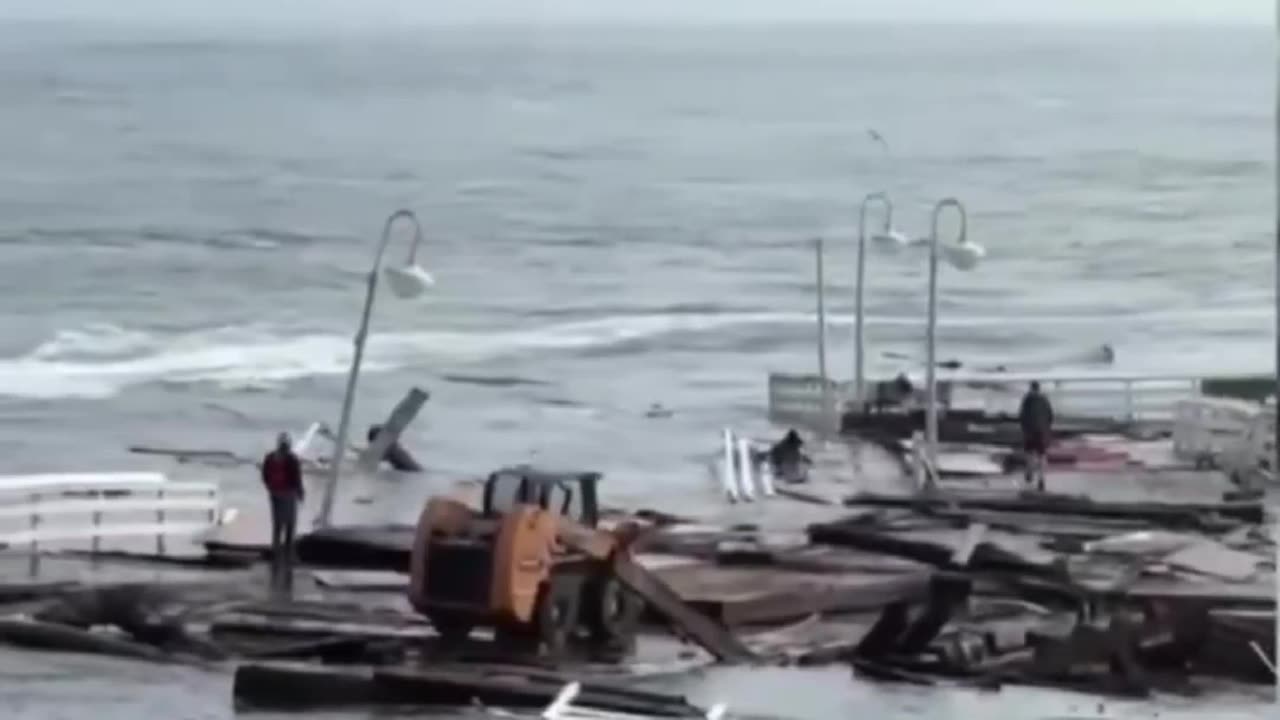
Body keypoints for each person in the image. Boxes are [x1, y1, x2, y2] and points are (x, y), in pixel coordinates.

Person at [261, 432, 304, 591]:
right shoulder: (291, 458)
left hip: (275, 493)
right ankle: (289, 555)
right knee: (290, 524)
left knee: (277, 524)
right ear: (289, 444)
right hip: (288, 493)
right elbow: (296, 477)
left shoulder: (270, 457)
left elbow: (264, 476)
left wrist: (270, 488)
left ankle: (276, 552)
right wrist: (300, 493)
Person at [1018, 381, 1054, 491]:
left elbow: (1022, 416)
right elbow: (1050, 416)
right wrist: (1046, 429)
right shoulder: (1045, 400)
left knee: (1029, 454)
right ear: (1039, 388)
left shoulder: (1027, 399)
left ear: (1031, 388)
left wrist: (1024, 429)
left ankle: (1029, 472)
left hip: (1030, 431)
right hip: (1042, 432)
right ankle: (1041, 479)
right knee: (1041, 456)